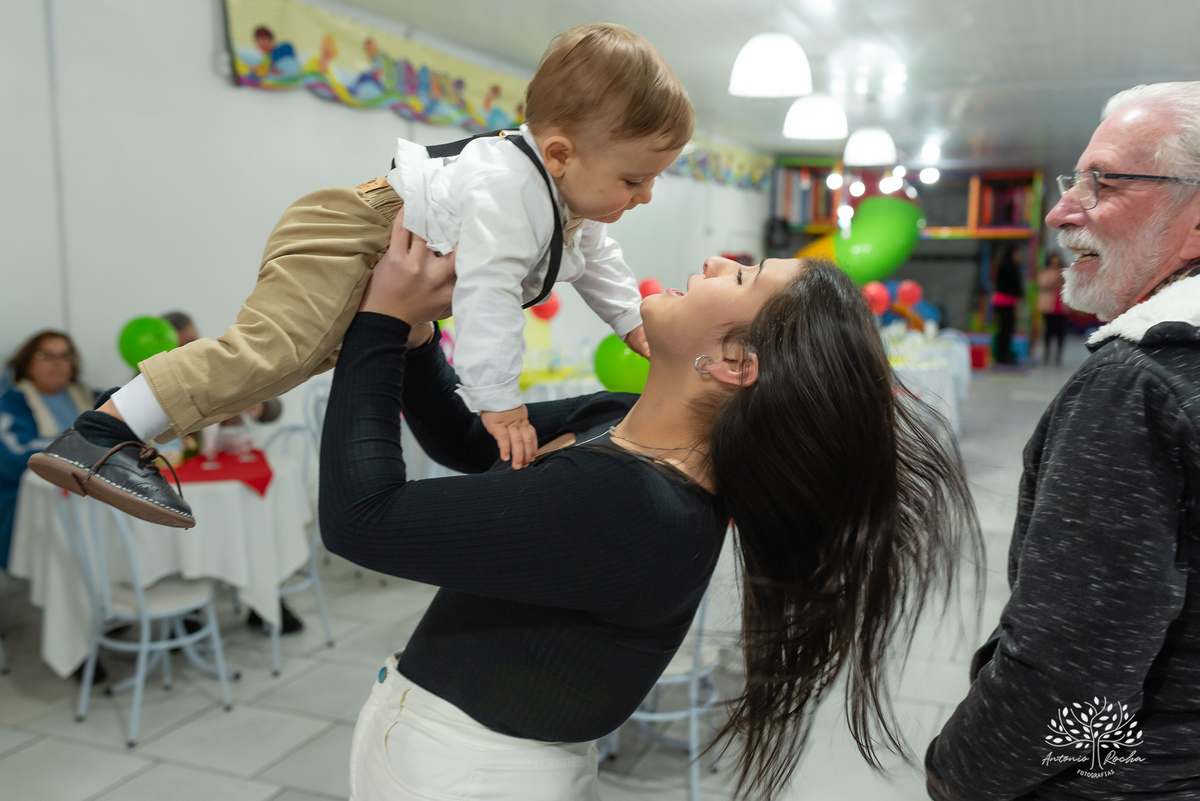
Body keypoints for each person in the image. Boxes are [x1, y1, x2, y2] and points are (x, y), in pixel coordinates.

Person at [319, 209, 981, 801]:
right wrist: (414, 333)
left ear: (732, 360)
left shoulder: (630, 503)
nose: (718, 260)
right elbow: (470, 439)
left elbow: (360, 518)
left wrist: (378, 319)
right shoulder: (620, 424)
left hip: (462, 774)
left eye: (744, 278)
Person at [30, 23, 688, 528]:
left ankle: (128, 424)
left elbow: (598, 261)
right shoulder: (512, 187)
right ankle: (102, 430)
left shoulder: (568, 203)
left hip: (374, 248)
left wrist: (633, 325)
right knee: (274, 351)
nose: (648, 196)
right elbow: (487, 292)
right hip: (349, 231)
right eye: (635, 179)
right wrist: (499, 398)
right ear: (559, 154)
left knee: (289, 364)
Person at [927, 81, 1200, 800]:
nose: (1060, 210)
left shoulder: (1143, 381)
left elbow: (1080, 668)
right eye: (1072, 179)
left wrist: (960, 773)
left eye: (1103, 183)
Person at [0, 331, 93, 571]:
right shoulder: (12, 403)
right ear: (28, 363)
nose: (57, 364)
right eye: (46, 356)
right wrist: (81, 447)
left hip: (84, 497)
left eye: (64, 356)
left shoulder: (87, 397)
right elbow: (12, 458)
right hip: (32, 503)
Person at [991, 244, 1026, 364]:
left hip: (1000, 301)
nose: (1019, 256)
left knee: (1002, 329)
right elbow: (1016, 288)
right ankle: (1003, 355)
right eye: (1017, 254)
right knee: (1006, 329)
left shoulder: (1002, 266)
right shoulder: (1011, 267)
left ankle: (1001, 354)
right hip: (1007, 302)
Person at [1037, 252, 1067, 366]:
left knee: (1061, 331)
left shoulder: (1065, 272)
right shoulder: (1045, 272)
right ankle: (1047, 353)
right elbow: (1042, 284)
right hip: (1048, 305)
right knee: (1048, 330)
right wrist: (1055, 278)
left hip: (1061, 305)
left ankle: (1058, 354)